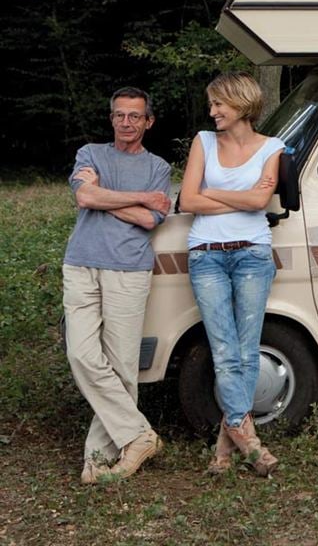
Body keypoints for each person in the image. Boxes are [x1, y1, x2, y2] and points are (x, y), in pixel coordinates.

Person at [63, 86, 172, 484]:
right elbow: (84, 198)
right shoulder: (90, 153)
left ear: (148, 121)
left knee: (122, 365)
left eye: (135, 116)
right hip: (81, 264)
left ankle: (99, 458)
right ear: (111, 118)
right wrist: (139, 198)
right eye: (119, 115)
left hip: (128, 270)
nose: (126, 122)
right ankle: (138, 434)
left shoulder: (158, 167)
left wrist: (101, 195)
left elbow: (149, 221)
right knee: (81, 355)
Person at [179, 72, 285, 476]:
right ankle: (251, 444)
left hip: (253, 256)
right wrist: (242, 202)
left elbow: (262, 200)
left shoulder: (272, 147)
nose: (213, 112)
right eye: (212, 105)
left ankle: (225, 450)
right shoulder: (203, 142)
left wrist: (215, 194)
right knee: (224, 351)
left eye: (219, 104)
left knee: (246, 350)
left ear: (241, 104)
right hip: (206, 254)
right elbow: (188, 199)